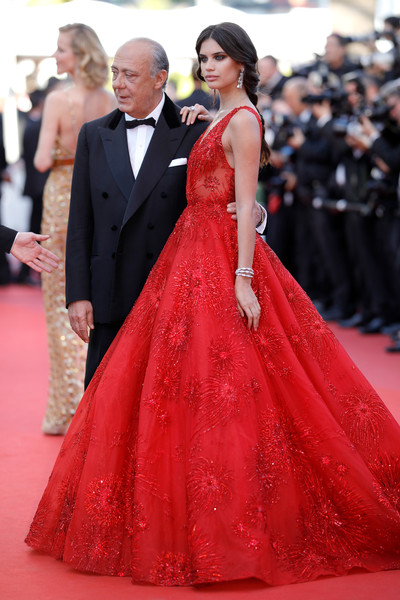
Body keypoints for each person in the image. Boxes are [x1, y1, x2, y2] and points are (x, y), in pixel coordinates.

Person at [26, 23, 400, 587]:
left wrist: (244, 274)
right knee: (161, 396)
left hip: (210, 264)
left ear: (240, 63)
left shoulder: (228, 120)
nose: (208, 65)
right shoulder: (202, 118)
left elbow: (246, 201)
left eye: (218, 57)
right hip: (167, 270)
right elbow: (87, 219)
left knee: (228, 392)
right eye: (203, 57)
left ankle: (226, 525)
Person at [65, 36, 266, 389]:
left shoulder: (196, 128)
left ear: (160, 78)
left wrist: (257, 215)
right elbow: (80, 222)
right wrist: (78, 294)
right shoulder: (93, 135)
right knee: (106, 400)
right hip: (109, 292)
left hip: (173, 296)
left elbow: (223, 194)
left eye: (129, 75)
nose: (118, 84)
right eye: (115, 73)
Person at [34, 23, 117, 434]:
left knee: (58, 301)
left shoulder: (57, 100)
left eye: (61, 49)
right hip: (97, 199)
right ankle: (96, 403)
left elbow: (40, 162)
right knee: (94, 294)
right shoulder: (109, 99)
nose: (55, 55)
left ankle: (67, 408)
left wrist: (57, 150)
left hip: (61, 199)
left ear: (79, 54)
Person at [16, 89, 51, 285]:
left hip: (35, 184)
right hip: (41, 185)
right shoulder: (38, 126)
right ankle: (28, 271)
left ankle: (27, 271)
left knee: (34, 226)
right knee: (36, 228)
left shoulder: (29, 123)